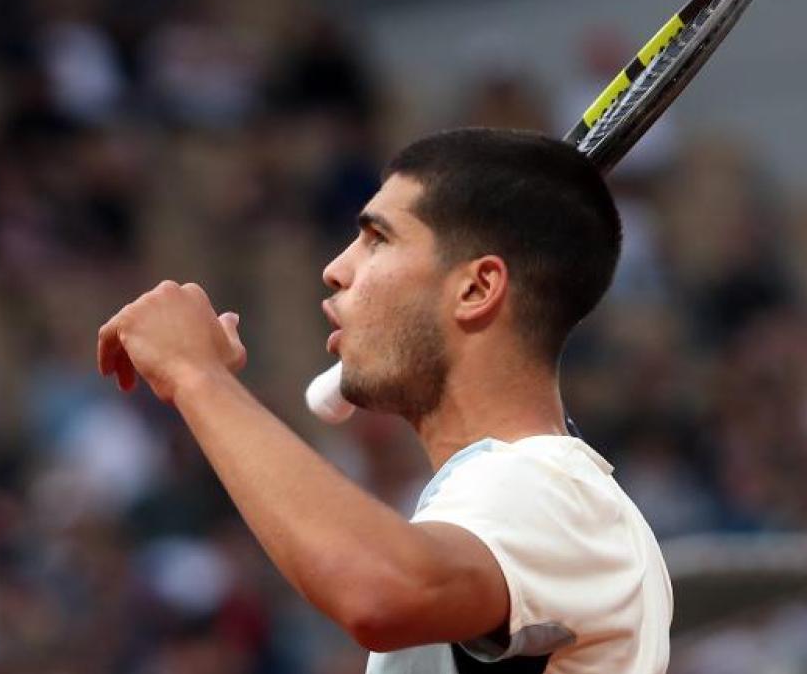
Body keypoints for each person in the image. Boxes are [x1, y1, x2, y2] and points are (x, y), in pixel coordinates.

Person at [97, 127, 672, 673]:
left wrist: (197, 376)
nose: (335, 269)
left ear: (475, 289)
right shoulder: (516, 494)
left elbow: (378, 590)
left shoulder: (549, 486)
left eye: (377, 239)